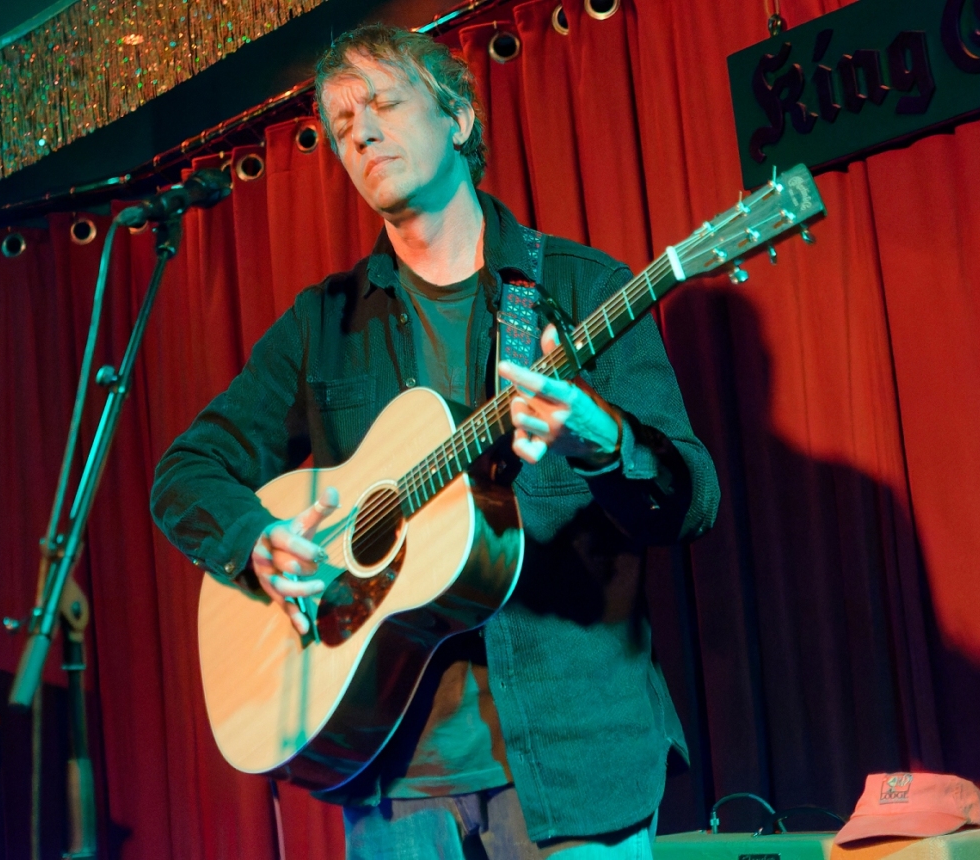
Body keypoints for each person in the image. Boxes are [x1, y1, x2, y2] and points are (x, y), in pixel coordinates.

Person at [151, 23, 719, 859]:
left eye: (383, 103)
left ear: (457, 119)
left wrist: (601, 436)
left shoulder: (578, 289)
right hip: (390, 778)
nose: (363, 133)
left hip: (572, 761)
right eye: (343, 125)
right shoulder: (326, 324)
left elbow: (692, 498)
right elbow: (186, 471)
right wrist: (257, 542)